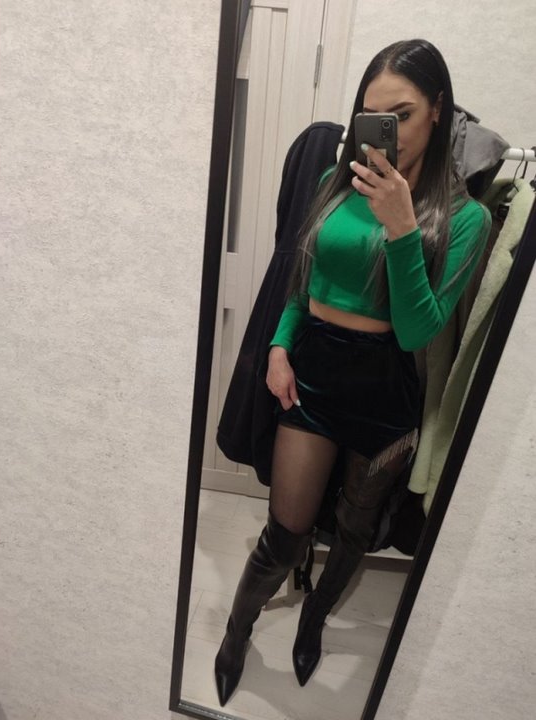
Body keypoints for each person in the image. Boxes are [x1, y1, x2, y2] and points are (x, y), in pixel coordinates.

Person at [214, 38, 491, 706]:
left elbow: (419, 332)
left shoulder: (467, 218)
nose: (386, 131)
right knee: (285, 534)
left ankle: (312, 621)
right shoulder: (333, 184)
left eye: (402, 113)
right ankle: (235, 632)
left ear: (438, 110)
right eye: (373, 115)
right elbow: (300, 284)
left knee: (353, 534)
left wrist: (402, 228)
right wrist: (279, 347)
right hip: (312, 375)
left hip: (385, 389)